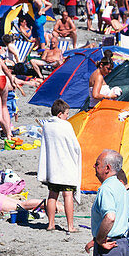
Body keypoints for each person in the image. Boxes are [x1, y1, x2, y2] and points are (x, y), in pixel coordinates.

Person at [37, 99, 81, 232]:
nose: (68, 116)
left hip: (53, 166)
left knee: (52, 195)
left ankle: (50, 224)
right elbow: (75, 146)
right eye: (67, 113)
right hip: (65, 165)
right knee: (68, 195)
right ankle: (70, 226)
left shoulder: (47, 126)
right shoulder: (65, 125)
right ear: (60, 114)